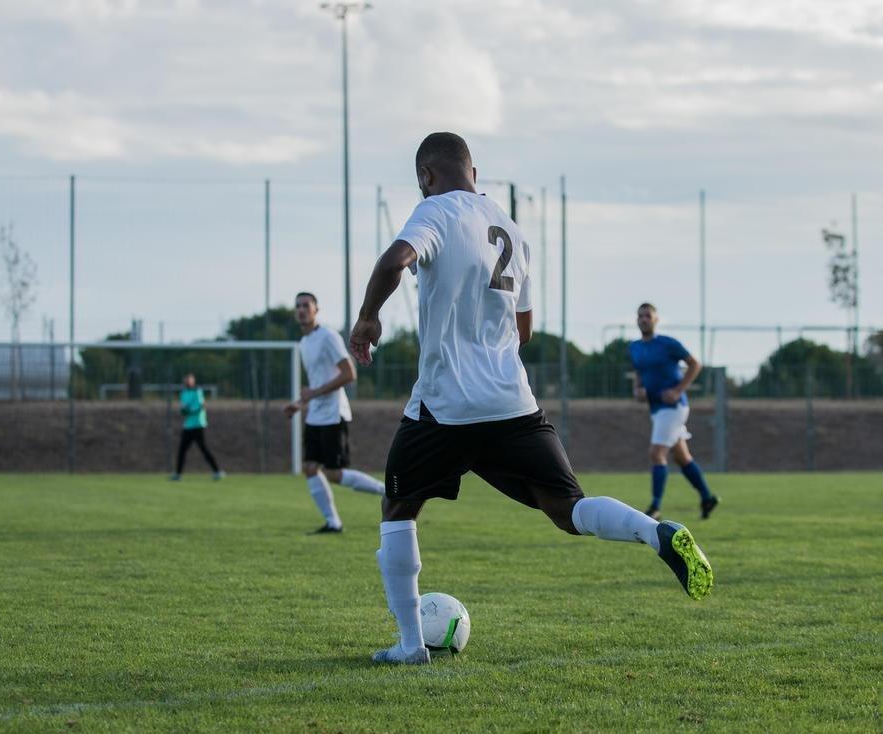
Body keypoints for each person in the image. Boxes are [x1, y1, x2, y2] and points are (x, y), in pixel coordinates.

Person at [349, 132, 714, 665]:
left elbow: (394, 261)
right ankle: (656, 532)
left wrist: (368, 318)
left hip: (444, 405)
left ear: (427, 176)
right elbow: (524, 331)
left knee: (399, 508)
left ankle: (410, 646)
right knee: (568, 509)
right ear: (474, 172)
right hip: (511, 403)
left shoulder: (436, 212)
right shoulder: (512, 231)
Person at [284, 292, 386, 534]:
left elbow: (349, 374)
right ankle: (333, 523)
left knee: (333, 474)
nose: (301, 310)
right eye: (297, 306)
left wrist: (314, 394)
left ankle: (388, 492)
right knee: (310, 468)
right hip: (315, 414)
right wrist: (299, 404)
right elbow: (317, 382)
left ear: (316, 310)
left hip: (332, 413)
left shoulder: (328, 337)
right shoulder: (304, 342)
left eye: (306, 305)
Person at [630, 303, 719, 520]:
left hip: (673, 408)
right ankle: (707, 497)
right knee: (682, 458)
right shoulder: (634, 347)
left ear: (656, 320)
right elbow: (639, 372)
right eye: (640, 316)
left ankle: (655, 508)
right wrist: (638, 389)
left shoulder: (668, 343)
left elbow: (694, 364)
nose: (644, 319)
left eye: (648, 315)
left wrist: (678, 390)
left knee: (656, 453)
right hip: (656, 409)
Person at [170, 373, 225, 481]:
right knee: (182, 450)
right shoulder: (184, 393)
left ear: (193, 381)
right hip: (188, 425)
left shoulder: (197, 392)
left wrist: (191, 412)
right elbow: (184, 407)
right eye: (186, 380)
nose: (187, 382)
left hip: (198, 424)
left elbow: (202, 406)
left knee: (204, 449)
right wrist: (183, 411)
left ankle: (217, 472)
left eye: (189, 380)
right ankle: (178, 474)